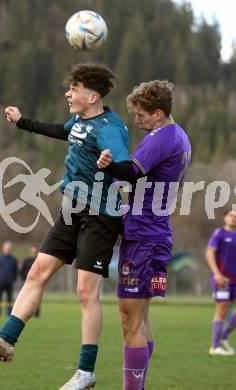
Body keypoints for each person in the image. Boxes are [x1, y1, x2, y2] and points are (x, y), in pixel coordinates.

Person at [0, 63, 129, 390]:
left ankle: (86, 371)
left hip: (100, 215)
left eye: (74, 89)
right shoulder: (81, 121)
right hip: (72, 208)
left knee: (85, 292)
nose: (68, 93)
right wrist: (22, 122)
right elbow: (61, 131)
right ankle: (6, 339)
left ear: (92, 95)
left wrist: (113, 165)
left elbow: (129, 168)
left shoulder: (111, 128)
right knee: (37, 272)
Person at [97, 80, 191, 389]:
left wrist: (109, 167)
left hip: (145, 235)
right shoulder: (179, 136)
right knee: (140, 319)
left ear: (159, 113)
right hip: (152, 233)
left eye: (141, 115)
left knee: (130, 320)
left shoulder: (161, 137)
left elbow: (132, 172)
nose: (136, 121)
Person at [206, 209, 236, 356]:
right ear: (225, 217)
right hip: (222, 279)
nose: (233, 218)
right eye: (231, 215)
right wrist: (217, 273)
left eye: (235, 217)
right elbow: (209, 252)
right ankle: (215, 346)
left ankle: (223, 336)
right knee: (222, 310)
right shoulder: (220, 233)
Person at [0, 241, 18, 317]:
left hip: (9, 283)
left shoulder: (13, 259)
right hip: (0, 282)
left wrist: (13, 279)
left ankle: (9, 314)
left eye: (9, 248)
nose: (8, 249)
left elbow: (15, 271)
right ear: (3, 248)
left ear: (11, 249)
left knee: (9, 299)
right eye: (6, 248)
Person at [19, 246, 40, 317]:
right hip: (27, 282)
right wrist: (23, 279)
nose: (33, 253)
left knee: (36, 298)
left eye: (35, 252)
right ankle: (25, 313)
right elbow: (22, 271)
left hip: (37, 283)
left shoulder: (39, 260)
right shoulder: (27, 260)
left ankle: (37, 314)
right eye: (32, 252)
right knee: (26, 298)